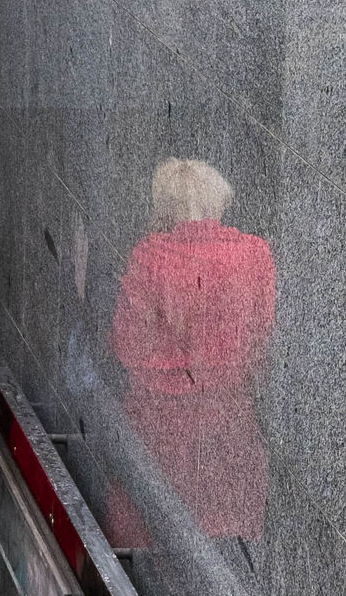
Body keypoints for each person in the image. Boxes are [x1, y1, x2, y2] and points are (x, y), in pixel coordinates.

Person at [111, 158, 275, 542]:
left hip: (157, 424)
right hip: (229, 423)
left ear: (164, 206)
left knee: (151, 533)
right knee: (221, 537)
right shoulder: (255, 255)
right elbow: (261, 338)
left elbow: (126, 343)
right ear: (217, 198)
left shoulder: (149, 257)